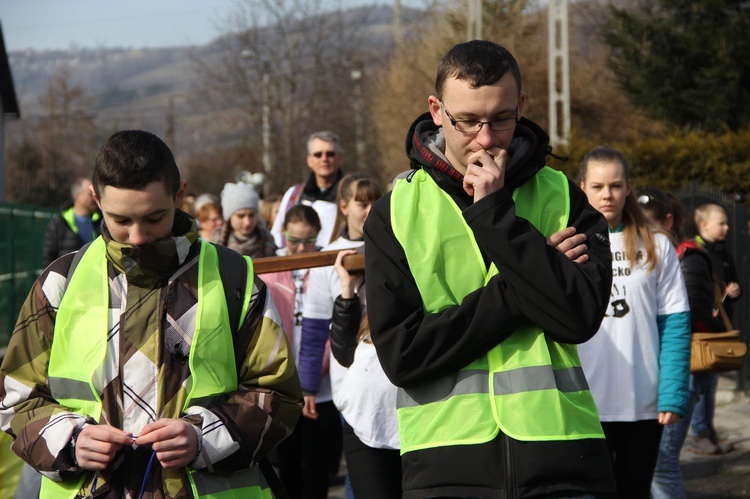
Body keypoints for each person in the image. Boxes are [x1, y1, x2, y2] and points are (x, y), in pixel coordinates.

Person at [363, 40, 616, 498]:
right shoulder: (394, 212)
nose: (485, 138)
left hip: (564, 456)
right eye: (467, 121)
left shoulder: (564, 195)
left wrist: (496, 215)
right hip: (445, 463)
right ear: (437, 111)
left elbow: (579, 318)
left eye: (500, 119)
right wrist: (525, 282)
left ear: (520, 106)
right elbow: (404, 356)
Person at [0, 130, 303, 498]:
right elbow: (17, 397)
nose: (138, 236)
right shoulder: (60, 283)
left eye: (154, 217)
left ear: (179, 195)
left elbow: (278, 395)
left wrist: (202, 437)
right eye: (121, 220)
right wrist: (71, 440)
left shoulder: (233, 277)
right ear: (96, 199)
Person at [578, 147, 691, 498]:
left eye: (615, 185)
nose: (607, 195)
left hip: (641, 403)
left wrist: (672, 393)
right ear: (582, 187)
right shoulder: (569, 244)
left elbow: (674, 323)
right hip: (581, 403)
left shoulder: (655, 244)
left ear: (628, 188)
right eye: (597, 186)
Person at [640, 191, 729, 497]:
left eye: (646, 224)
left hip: (685, 368)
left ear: (667, 222)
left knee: (661, 466)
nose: (638, 232)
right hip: (672, 370)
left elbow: (688, 316)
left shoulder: (685, 257)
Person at [298, 172, 382, 499]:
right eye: (362, 202)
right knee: (359, 465)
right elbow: (317, 326)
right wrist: (308, 385)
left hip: (389, 370)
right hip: (348, 375)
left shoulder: (394, 244)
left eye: (375, 200)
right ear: (345, 206)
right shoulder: (327, 257)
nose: (369, 209)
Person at [329, 249, 401, 499]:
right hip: (365, 422)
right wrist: (347, 289)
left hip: (415, 423)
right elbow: (344, 352)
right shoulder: (367, 288)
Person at [262, 204, 323, 499]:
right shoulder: (271, 274)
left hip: (321, 387)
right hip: (283, 386)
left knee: (317, 465)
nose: (300, 248)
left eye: (308, 241)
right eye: (294, 240)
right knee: (288, 465)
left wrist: (316, 371)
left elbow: (330, 330)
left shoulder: (324, 269)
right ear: (283, 236)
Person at [687, 203, 739, 455]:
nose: (727, 227)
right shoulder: (696, 252)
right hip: (701, 331)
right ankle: (700, 433)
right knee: (698, 383)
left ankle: (709, 432)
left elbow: (732, 284)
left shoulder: (724, 254)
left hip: (718, 330)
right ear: (704, 225)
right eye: (721, 222)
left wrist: (734, 292)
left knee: (711, 384)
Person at [270, 131, 345, 249]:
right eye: (318, 154)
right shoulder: (293, 195)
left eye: (330, 154)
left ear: (340, 158)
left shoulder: (350, 196)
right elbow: (278, 235)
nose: (324, 159)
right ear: (309, 160)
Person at [42, 177, 101, 267]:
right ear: (76, 196)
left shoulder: (101, 221)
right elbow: (48, 256)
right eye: (90, 194)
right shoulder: (59, 221)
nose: (94, 197)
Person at [212, 181, 276, 258]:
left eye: (251, 215)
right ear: (229, 217)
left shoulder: (268, 240)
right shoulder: (216, 243)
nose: (247, 222)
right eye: (240, 216)